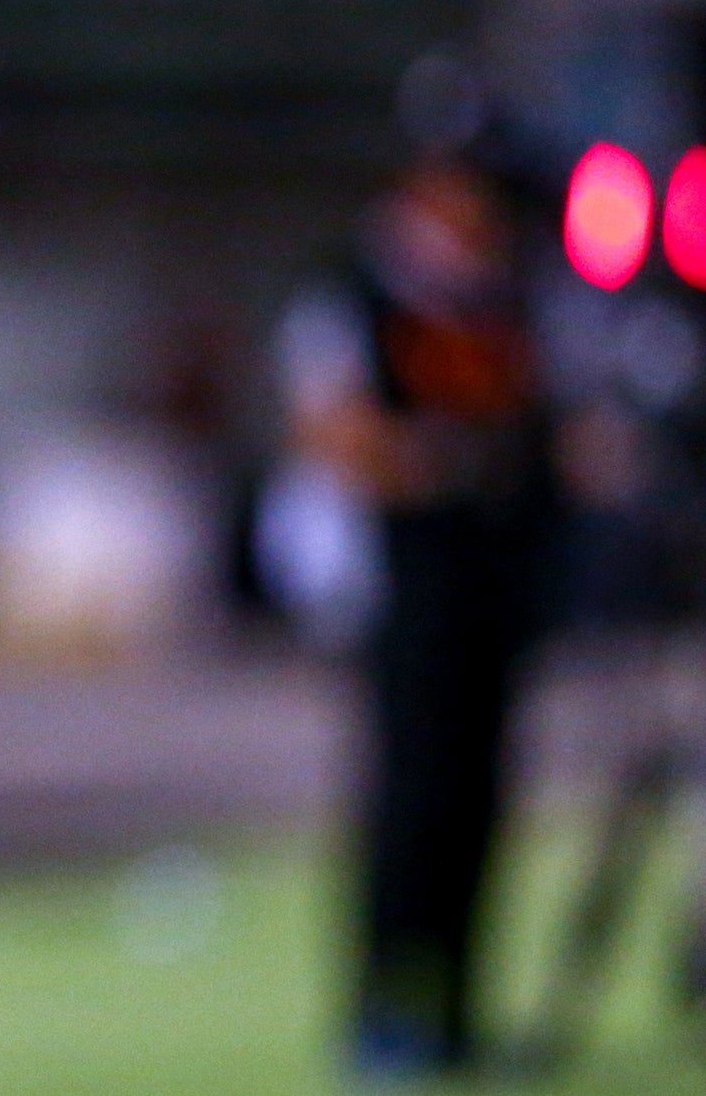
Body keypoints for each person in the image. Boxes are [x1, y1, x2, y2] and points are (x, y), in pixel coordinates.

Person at [279, 156, 550, 1079]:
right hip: (395, 583)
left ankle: (459, 1010)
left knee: (482, 796)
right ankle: (381, 1007)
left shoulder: (506, 293)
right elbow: (332, 431)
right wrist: (437, 462)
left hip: (490, 581)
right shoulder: (350, 289)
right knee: (408, 797)